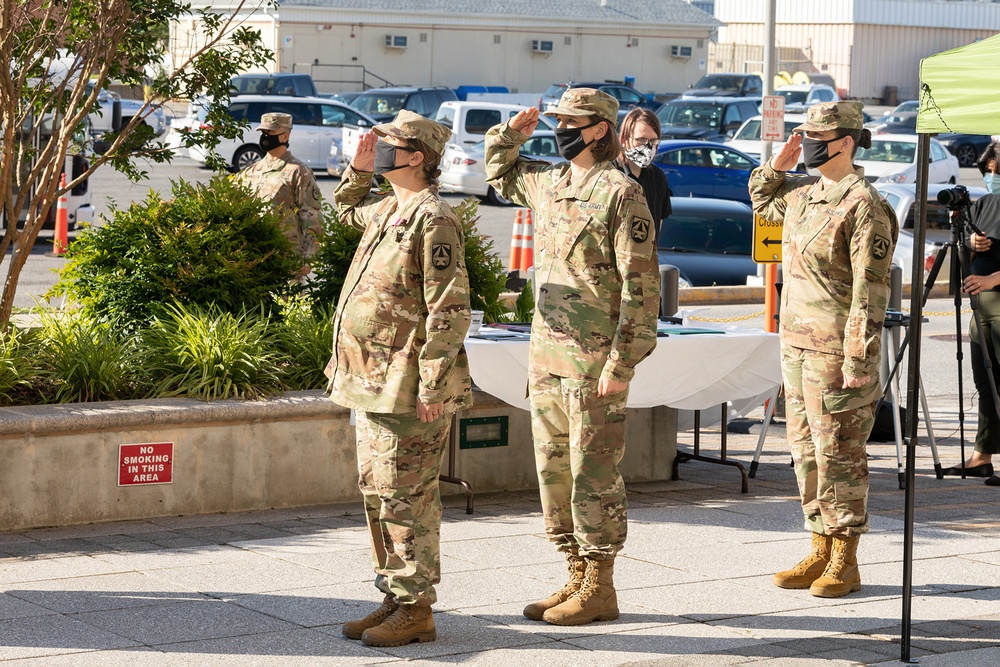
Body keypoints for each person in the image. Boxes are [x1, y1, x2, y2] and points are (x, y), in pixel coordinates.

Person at [484, 89, 660, 626]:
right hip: (547, 358)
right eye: (556, 120)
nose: (559, 129)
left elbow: (642, 287)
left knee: (594, 474)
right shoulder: (551, 182)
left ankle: (601, 585)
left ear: (599, 129)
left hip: (593, 363)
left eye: (569, 122)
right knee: (554, 473)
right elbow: (498, 171)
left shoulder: (621, 194)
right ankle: (575, 572)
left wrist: (621, 363)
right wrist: (511, 132)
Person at [327, 110, 472, 646]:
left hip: (408, 386)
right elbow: (343, 213)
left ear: (417, 156)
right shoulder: (389, 208)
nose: (379, 143)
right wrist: (359, 171)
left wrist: (434, 382)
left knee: (408, 495)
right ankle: (394, 594)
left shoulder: (434, 219)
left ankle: (417, 608)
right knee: (379, 492)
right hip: (369, 380)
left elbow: (449, 306)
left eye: (390, 141)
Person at [748, 101, 898, 598]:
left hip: (836, 352)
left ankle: (845, 555)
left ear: (847, 142)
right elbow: (761, 200)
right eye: (804, 133)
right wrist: (779, 164)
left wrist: (860, 356)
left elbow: (870, 292)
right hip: (796, 347)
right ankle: (819, 542)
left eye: (818, 136)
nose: (809, 142)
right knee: (804, 454)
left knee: (840, 454)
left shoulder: (865, 204)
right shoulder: (804, 195)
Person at [944, 139, 1000, 485]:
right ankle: (982, 456)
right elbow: (962, 249)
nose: (992, 175)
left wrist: (994, 278)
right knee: (986, 382)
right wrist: (969, 242)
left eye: (997, 169)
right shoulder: (983, 205)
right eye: (988, 170)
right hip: (980, 311)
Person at [234, 112, 323, 276]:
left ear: (285, 136)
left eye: (271, 132)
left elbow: (311, 216)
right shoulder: (250, 172)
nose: (265, 136)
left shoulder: (298, 171)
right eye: (263, 132)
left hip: (286, 261)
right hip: (254, 259)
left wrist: (308, 260)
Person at [615, 107, 671, 244]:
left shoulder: (657, 177)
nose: (647, 147)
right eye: (641, 140)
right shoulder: (610, 174)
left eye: (653, 141)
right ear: (624, 140)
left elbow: (659, 222)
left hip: (645, 261)